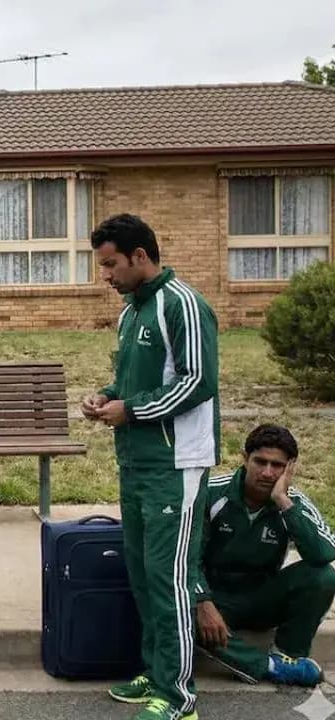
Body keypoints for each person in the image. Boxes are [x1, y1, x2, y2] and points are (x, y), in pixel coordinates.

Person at [82, 213, 219, 720]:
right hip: (135, 461)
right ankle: (155, 671)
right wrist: (107, 397)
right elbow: (131, 381)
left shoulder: (182, 304)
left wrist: (132, 410)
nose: (106, 275)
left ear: (141, 256)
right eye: (102, 265)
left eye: (111, 264)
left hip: (176, 464)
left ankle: (179, 697)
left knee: (169, 579)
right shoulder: (130, 312)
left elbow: (198, 381)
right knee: (141, 575)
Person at [194, 424, 334, 688]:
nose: (267, 472)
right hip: (215, 598)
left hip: (262, 597)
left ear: (290, 468)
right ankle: (267, 667)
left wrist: (283, 501)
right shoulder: (211, 492)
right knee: (175, 610)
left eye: (277, 465)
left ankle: (288, 656)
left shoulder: (292, 501)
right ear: (245, 458)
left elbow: (324, 552)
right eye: (260, 462)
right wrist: (202, 601)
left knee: (322, 576)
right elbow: (186, 557)